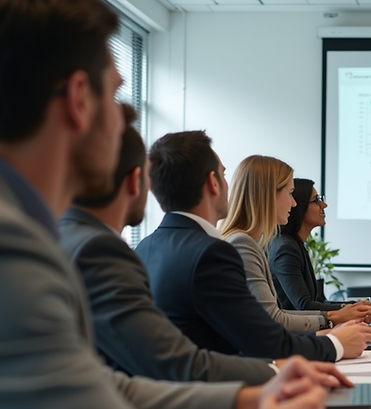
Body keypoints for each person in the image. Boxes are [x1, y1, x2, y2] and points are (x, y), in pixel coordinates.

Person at [0, 0, 346, 409]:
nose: (127, 123)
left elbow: (97, 388)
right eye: (117, 91)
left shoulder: (7, 225)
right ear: (79, 100)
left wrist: (245, 401)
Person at [60, 105, 280, 384]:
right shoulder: (100, 251)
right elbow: (171, 364)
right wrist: (276, 372)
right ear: (135, 181)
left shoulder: (129, 246)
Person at [135, 131, 371, 361]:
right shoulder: (217, 251)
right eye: (224, 174)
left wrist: (324, 332)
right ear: (213, 183)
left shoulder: (144, 248)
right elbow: (264, 336)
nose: (294, 203)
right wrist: (334, 340)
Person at [220, 156, 353, 333]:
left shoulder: (251, 243)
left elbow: (276, 313)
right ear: (268, 195)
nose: (294, 202)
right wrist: (331, 322)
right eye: (290, 193)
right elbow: (273, 319)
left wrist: (333, 317)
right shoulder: (242, 244)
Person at [267, 177, 371, 323]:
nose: (324, 205)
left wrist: (354, 306)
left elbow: (318, 300)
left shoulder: (296, 244)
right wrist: (351, 310)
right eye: (316, 200)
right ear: (298, 207)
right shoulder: (285, 248)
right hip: (295, 336)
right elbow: (305, 306)